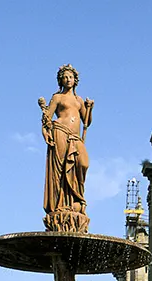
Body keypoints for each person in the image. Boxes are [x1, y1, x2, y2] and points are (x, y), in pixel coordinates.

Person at [40, 64, 94, 218]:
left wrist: (90, 108)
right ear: (61, 81)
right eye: (64, 77)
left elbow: (87, 121)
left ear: (75, 80)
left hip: (75, 137)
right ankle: (62, 204)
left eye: (70, 77)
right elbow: (47, 118)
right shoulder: (58, 97)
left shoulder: (79, 100)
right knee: (61, 170)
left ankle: (77, 198)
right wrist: (45, 132)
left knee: (83, 164)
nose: (68, 79)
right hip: (60, 132)